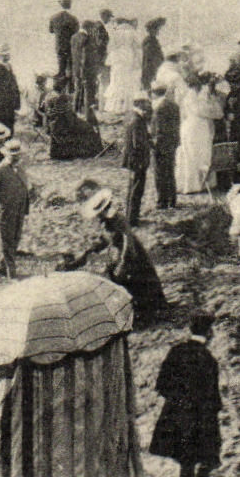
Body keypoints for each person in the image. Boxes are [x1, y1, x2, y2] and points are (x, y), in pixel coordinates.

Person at [64, 188, 168, 327]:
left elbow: (127, 241)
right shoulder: (105, 223)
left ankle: (147, 311)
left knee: (138, 281)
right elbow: (104, 240)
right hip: (117, 254)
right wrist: (86, 254)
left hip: (131, 254)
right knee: (117, 280)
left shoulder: (118, 219)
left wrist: (123, 262)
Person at [150, 314, 224, 477]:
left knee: (185, 456)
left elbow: (161, 384)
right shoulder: (208, 359)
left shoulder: (176, 352)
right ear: (209, 333)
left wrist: (176, 401)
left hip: (175, 413)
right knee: (205, 456)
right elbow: (212, 396)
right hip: (199, 416)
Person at [0, 138, 29, 277]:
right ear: (6, 154)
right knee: (7, 240)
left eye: (17, 153)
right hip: (5, 210)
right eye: (12, 154)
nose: (16, 156)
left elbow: (24, 187)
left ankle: (2, 267)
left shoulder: (20, 168)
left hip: (19, 209)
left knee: (15, 238)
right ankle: (12, 273)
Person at [175, 77, 221, 194]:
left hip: (200, 129)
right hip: (193, 129)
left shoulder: (198, 96)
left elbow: (217, 112)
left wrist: (211, 104)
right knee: (192, 156)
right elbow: (201, 110)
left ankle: (203, 183)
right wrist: (211, 106)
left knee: (202, 155)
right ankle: (192, 185)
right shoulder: (190, 96)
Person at [44, 76, 105, 159]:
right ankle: (90, 151)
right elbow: (69, 118)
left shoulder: (48, 96)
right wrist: (79, 120)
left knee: (84, 124)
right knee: (89, 127)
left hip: (53, 126)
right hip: (63, 127)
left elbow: (50, 113)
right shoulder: (61, 98)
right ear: (63, 87)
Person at [121, 96, 152, 226]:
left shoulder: (130, 115)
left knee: (133, 187)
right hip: (137, 159)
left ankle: (131, 216)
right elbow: (138, 142)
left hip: (132, 159)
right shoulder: (137, 120)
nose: (148, 106)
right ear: (139, 104)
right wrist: (149, 145)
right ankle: (132, 218)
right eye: (146, 103)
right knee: (136, 189)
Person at [103, 18, 142, 118]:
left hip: (117, 59)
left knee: (116, 81)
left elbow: (110, 47)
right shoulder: (132, 32)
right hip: (128, 57)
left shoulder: (115, 33)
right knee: (127, 82)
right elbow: (137, 46)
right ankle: (127, 106)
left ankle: (116, 107)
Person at [149, 86, 180, 210]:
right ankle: (172, 200)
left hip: (161, 145)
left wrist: (154, 144)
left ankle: (162, 201)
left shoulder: (159, 108)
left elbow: (159, 130)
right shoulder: (174, 105)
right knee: (170, 173)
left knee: (160, 174)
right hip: (171, 144)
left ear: (155, 94)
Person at [71, 18, 101, 120]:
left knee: (78, 91)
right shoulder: (87, 39)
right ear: (88, 28)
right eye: (92, 29)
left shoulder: (74, 37)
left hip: (76, 69)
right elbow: (85, 58)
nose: (93, 31)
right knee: (89, 94)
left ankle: (74, 114)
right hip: (87, 71)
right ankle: (89, 117)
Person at [141, 17, 167, 92]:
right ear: (152, 30)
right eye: (157, 29)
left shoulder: (152, 41)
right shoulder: (150, 42)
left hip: (152, 71)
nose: (158, 31)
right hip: (150, 71)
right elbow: (149, 59)